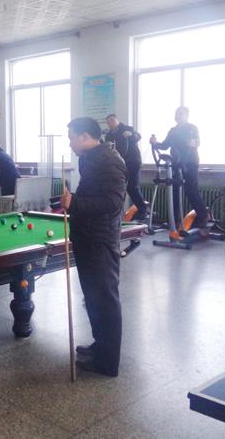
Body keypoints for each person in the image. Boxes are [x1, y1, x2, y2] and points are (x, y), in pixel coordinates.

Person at [60, 117, 127, 377]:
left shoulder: (109, 160)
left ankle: (107, 363)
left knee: (105, 300)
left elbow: (112, 203)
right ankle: (101, 347)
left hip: (100, 240)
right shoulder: (89, 158)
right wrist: (73, 202)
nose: (70, 143)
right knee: (93, 299)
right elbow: (92, 195)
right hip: (87, 237)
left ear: (85, 136)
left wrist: (74, 203)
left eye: (72, 138)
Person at [150, 106, 208, 228]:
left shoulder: (192, 128)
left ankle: (203, 217)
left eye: (182, 114)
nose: (179, 116)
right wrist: (155, 143)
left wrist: (194, 143)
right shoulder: (173, 130)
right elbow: (165, 145)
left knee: (191, 190)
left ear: (187, 116)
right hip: (176, 163)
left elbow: (198, 142)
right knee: (174, 190)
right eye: (177, 113)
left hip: (190, 162)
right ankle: (174, 220)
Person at [104, 114, 147, 220]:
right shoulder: (108, 136)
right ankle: (117, 214)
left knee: (132, 187)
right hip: (119, 163)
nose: (110, 123)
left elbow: (138, 136)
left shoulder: (127, 128)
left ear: (117, 120)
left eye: (112, 120)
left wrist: (130, 135)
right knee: (118, 187)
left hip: (133, 162)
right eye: (108, 122)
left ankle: (143, 210)